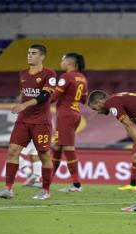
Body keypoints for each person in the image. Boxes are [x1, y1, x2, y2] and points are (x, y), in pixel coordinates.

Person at [0, 44, 56, 200]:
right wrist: (17, 103)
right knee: (12, 151)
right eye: (28, 53)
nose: (29, 55)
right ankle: (8, 188)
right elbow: (23, 93)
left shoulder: (49, 74)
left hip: (41, 121)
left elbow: (44, 96)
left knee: (44, 154)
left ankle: (45, 190)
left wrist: (24, 105)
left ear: (42, 56)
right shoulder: (23, 73)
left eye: (33, 53)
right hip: (23, 120)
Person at [50, 53, 88, 193]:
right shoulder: (83, 78)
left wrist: (39, 104)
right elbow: (84, 99)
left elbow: (54, 96)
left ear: (69, 63)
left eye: (62, 60)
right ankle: (46, 181)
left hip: (65, 115)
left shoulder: (66, 77)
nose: (61, 62)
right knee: (57, 148)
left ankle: (77, 185)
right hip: (76, 114)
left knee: (68, 149)